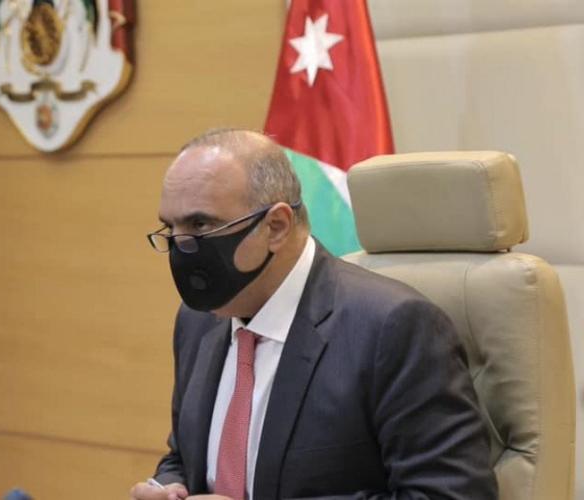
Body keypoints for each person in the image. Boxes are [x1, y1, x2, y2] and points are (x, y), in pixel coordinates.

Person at [129, 129, 496, 500]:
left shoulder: (394, 328)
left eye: (200, 225)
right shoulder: (198, 322)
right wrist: (168, 486)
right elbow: (184, 455)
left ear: (276, 227)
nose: (179, 246)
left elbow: (452, 494)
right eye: (170, 228)